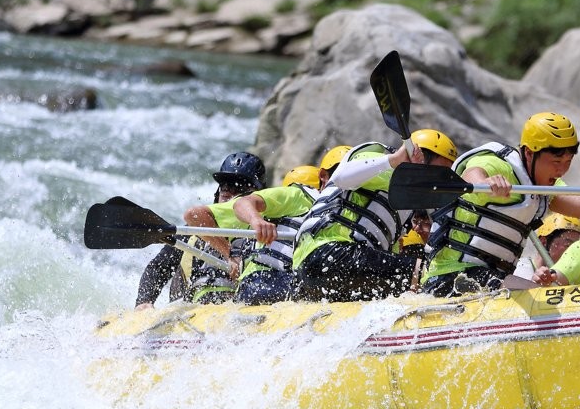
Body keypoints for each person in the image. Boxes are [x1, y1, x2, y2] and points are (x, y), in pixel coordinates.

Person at [422, 111, 580, 297]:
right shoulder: (499, 164)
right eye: (555, 161)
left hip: (492, 278)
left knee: (548, 295)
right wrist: (489, 184)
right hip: (453, 276)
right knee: (547, 299)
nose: (561, 169)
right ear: (530, 153)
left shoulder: (545, 188)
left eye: (568, 161)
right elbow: (471, 175)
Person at [292, 128, 459, 302]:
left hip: (316, 277)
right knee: (427, 273)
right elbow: (341, 177)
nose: (441, 181)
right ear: (421, 157)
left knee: (408, 283)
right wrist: (395, 160)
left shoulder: (408, 204)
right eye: (440, 172)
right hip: (328, 253)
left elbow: (387, 254)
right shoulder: (379, 159)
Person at [135, 151, 266, 308]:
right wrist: (144, 302)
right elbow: (157, 268)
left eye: (240, 186)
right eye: (225, 185)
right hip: (189, 309)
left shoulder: (266, 232)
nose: (229, 192)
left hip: (239, 310)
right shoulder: (193, 230)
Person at [228, 163, 323, 305]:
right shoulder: (296, 194)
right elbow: (242, 203)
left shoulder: (321, 212)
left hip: (270, 281)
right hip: (260, 281)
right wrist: (256, 220)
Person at [513, 213, 580, 280]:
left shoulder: (576, 278)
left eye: (578, 248)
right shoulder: (518, 270)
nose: (575, 252)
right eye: (568, 245)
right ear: (543, 242)